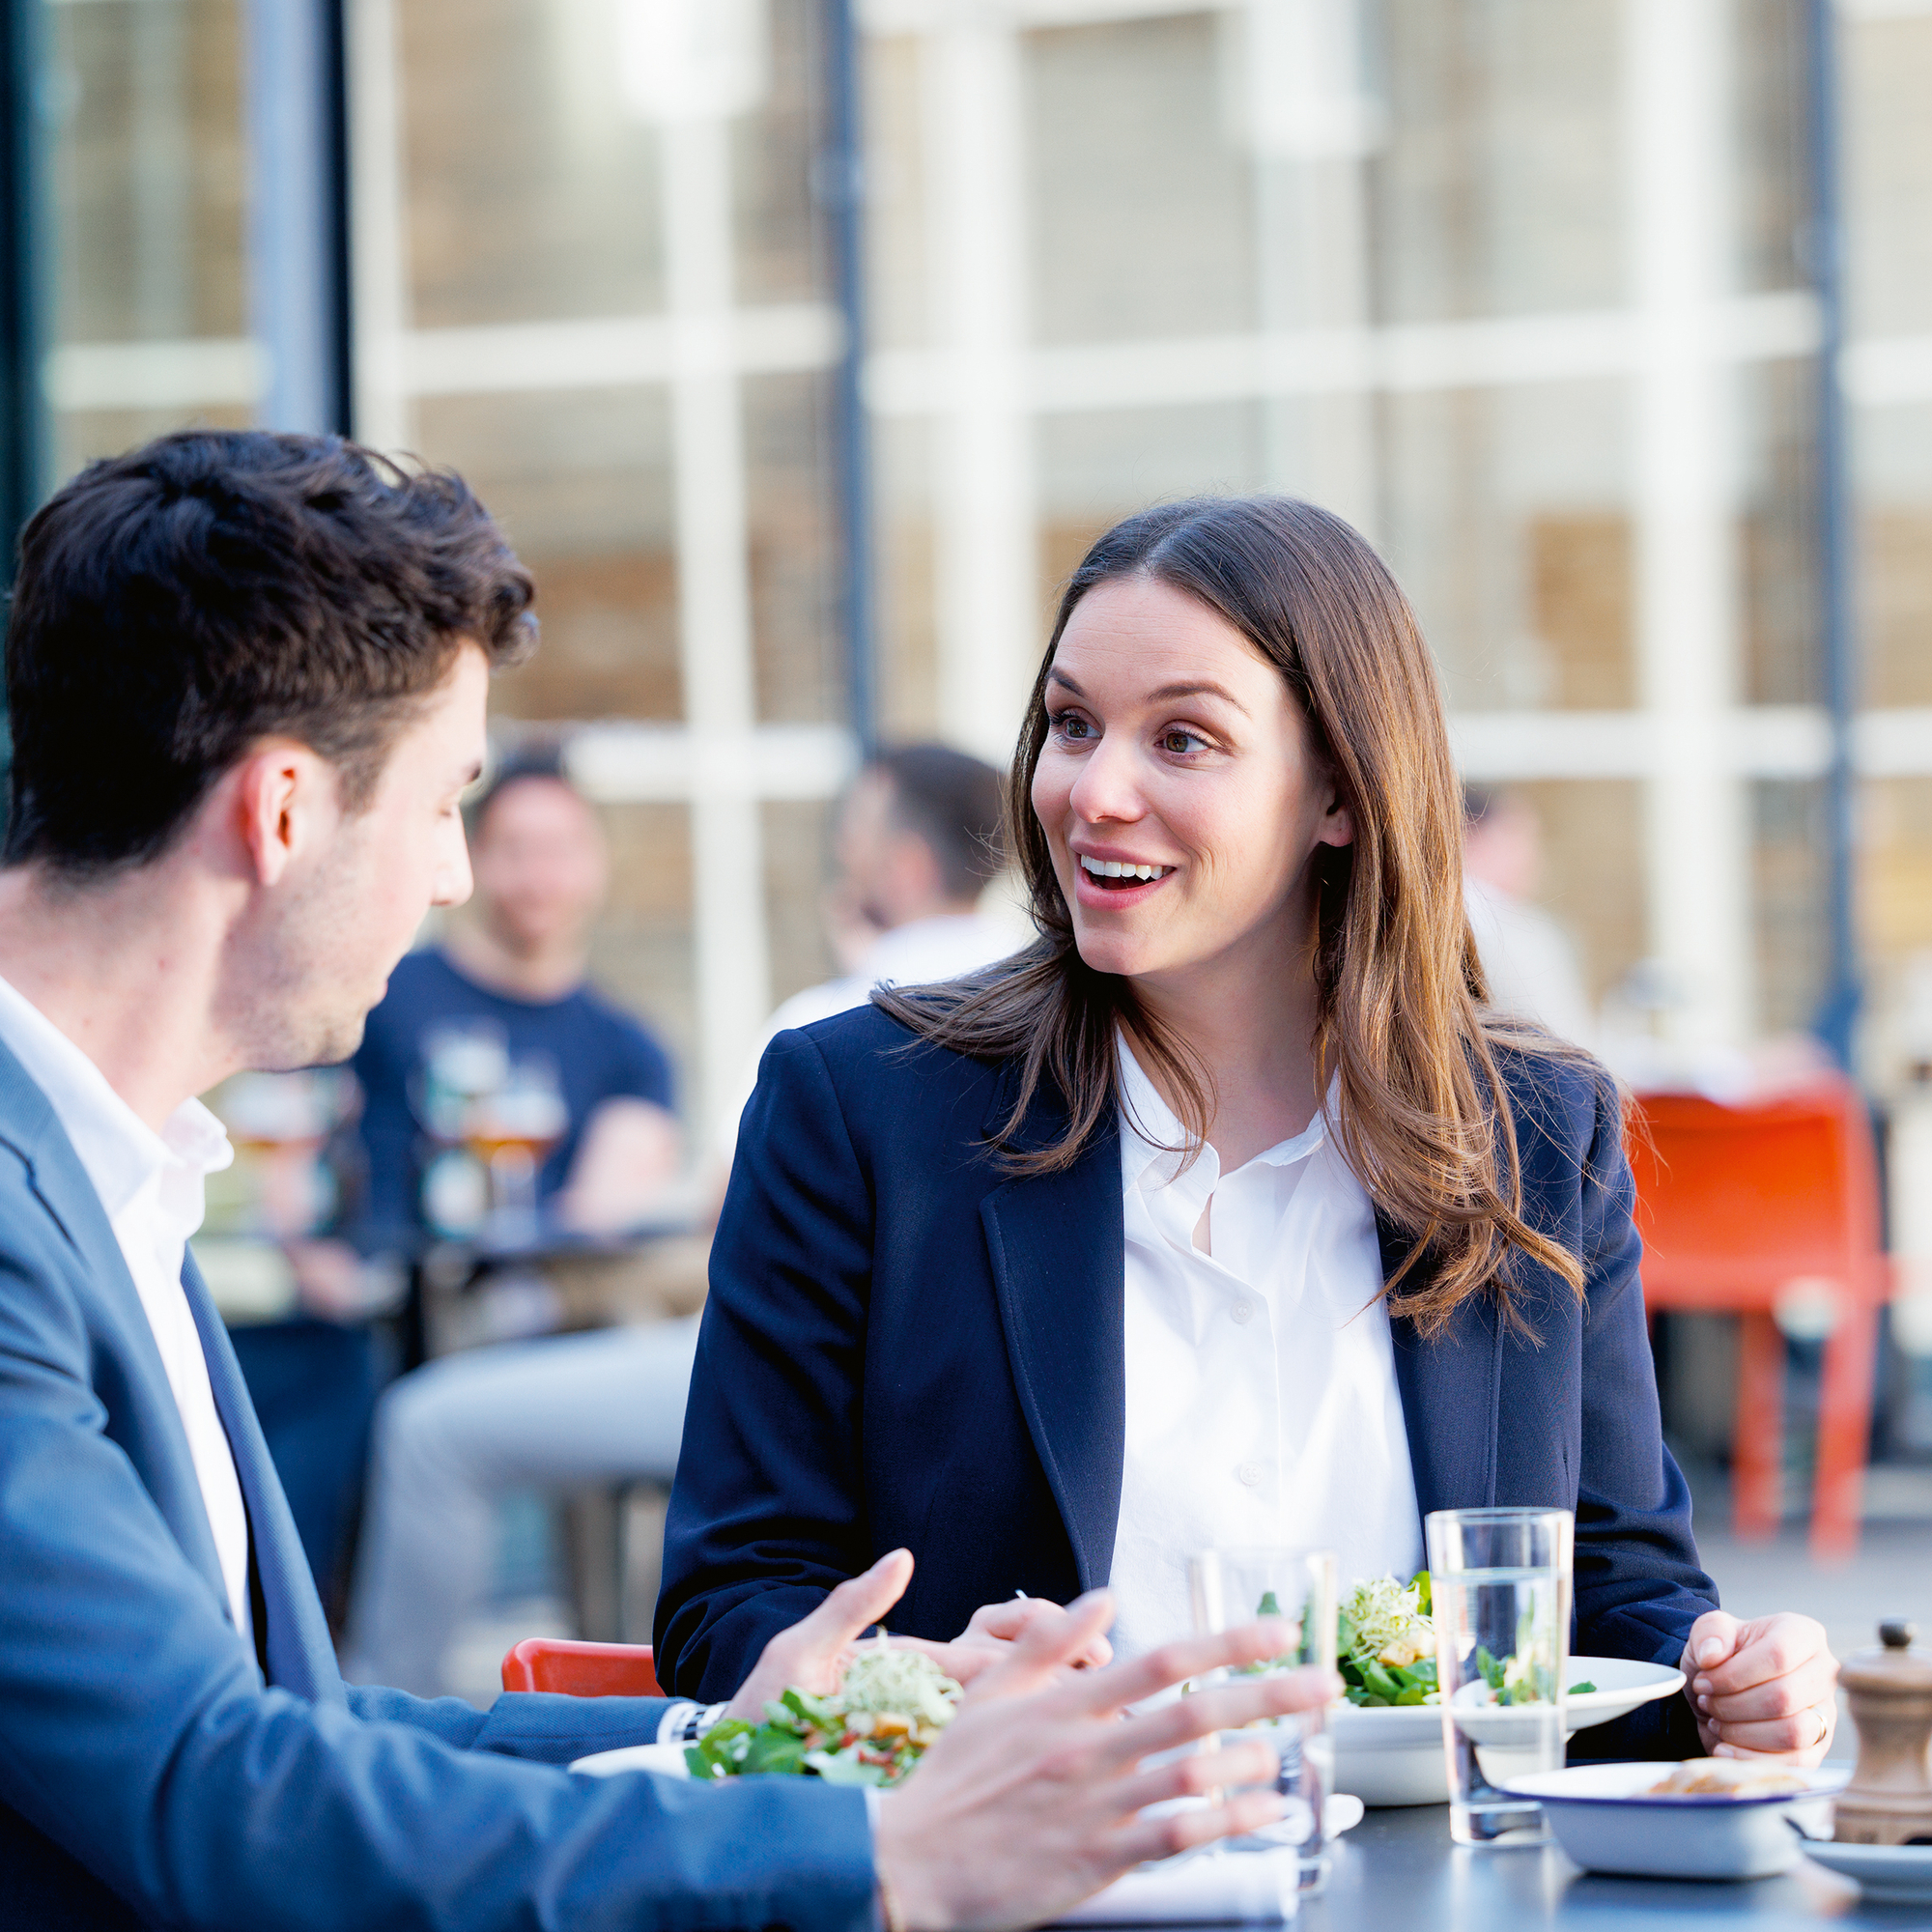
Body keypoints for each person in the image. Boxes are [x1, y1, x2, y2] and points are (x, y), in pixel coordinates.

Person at [0, 433, 1331, 1929]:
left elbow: (303, 1733)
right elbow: (218, 1793)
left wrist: (776, 1752)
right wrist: (889, 1864)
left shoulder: (110, 1175)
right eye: (448, 804)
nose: (456, 878)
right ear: (285, 811)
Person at [657, 494, 1842, 1769]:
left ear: (1338, 791)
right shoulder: (861, 1106)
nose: (1095, 790)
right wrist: (910, 1683)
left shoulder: (1530, 1137)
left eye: (1182, 739)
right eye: (1070, 725)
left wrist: (1727, 1678)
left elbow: (1612, 1592)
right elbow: (732, 1604)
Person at [1460, 783, 1595, 1046]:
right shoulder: (1521, 934)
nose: (1533, 858)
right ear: (1477, 836)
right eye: (1522, 837)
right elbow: (1566, 1043)